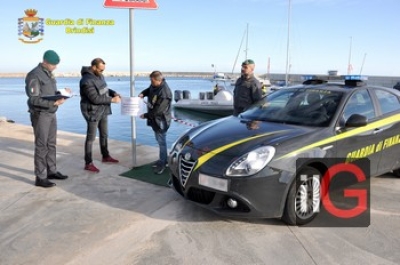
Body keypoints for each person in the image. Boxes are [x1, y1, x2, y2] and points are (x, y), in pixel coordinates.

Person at [25, 50, 70, 188]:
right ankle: (40, 177)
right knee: (41, 146)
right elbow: (33, 99)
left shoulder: (48, 74)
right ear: (45, 62)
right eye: (53, 64)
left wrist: (61, 93)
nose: (55, 67)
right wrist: (53, 103)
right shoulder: (34, 75)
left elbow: (48, 93)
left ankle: (52, 171)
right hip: (41, 114)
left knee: (51, 144)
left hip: (51, 113)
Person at [79, 58, 121, 173]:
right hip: (92, 111)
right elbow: (95, 98)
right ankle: (88, 163)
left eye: (103, 70)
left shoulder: (99, 76)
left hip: (103, 109)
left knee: (104, 134)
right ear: (93, 67)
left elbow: (104, 89)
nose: (102, 72)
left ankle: (105, 156)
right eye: (100, 69)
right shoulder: (86, 80)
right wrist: (112, 100)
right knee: (91, 138)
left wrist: (113, 93)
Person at [139, 71, 172, 174]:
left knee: (162, 142)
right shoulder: (155, 85)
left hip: (161, 120)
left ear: (159, 80)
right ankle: (163, 159)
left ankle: (163, 163)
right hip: (154, 120)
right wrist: (143, 93)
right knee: (159, 140)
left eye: (152, 81)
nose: (151, 83)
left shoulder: (165, 93)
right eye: (150, 81)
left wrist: (145, 115)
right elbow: (149, 90)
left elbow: (158, 111)